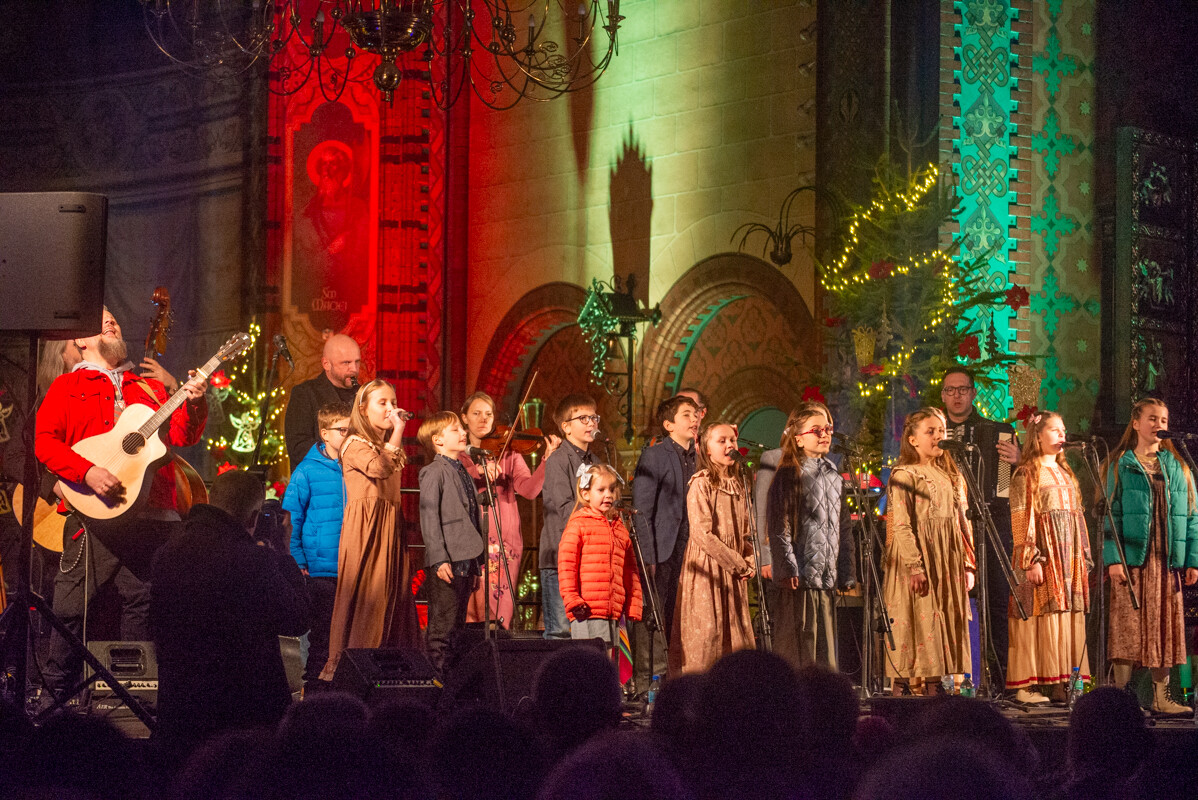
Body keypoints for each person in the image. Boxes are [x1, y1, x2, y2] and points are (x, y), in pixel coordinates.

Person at [34, 308, 208, 701]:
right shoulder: (65, 388)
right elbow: (45, 443)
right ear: (79, 339)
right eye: (101, 320)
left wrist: (194, 401)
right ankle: (52, 700)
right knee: (70, 606)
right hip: (94, 512)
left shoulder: (148, 388)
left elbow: (182, 435)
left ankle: (133, 700)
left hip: (151, 512)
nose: (110, 323)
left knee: (145, 606)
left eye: (113, 319)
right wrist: (87, 472)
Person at [150, 469, 311, 747]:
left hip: (179, 712)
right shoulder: (253, 561)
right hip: (243, 719)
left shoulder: (168, 550)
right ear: (253, 518)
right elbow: (297, 619)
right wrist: (284, 553)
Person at [1104, 397, 1198, 714]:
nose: (1160, 425)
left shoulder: (1178, 466)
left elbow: (1192, 516)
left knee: (1166, 626)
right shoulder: (1121, 464)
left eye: (1163, 420)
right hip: (1133, 559)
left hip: (1166, 560)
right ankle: (1121, 699)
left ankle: (1160, 696)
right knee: (1127, 627)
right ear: (1136, 423)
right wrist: (1113, 558)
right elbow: (1109, 515)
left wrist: (1192, 560)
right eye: (1152, 419)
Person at [319, 379, 417, 681]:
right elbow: (379, 468)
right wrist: (398, 430)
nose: (390, 409)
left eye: (393, 401)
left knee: (394, 596)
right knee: (368, 600)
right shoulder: (354, 443)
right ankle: (352, 673)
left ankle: (393, 670)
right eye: (382, 403)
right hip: (367, 530)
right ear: (363, 408)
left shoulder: (382, 445)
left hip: (389, 527)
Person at [883, 407, 975, 694]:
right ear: (913, 440)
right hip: (918, 557)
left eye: (941, 431)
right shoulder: (905, 474)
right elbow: (901, 525)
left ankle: (939, 688)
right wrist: (915, 565)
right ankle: (906, 690)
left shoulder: (951, 475)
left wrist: (968, 563)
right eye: (930, 431)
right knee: (917, 620)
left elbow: (962, 524)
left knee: (943, 619)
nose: (938, 436)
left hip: (946, 559)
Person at [1005, 412, 1092, 704]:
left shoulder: (1067, 473)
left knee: (1063, 614)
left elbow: (1078, 519)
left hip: (1067, 558)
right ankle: (1027, 686)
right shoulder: (1026, 473)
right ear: (1038, 436)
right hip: (1043, 557)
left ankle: (1061, 682)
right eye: (1055, 430)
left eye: (1064, 430)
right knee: (1036, 614)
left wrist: (1084, 557)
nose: (1062, 435)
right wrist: (1031, 559)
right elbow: (1021, 518)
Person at [940, 367, 1019, 686]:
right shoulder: (935, 430)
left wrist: (1017, 460)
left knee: (997, 601)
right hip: (947, 527)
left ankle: (999, 678)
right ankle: (949, 679)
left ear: (973, 393)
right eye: (950, 390)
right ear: (943, 395)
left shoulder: (995, 430)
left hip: (991, 522)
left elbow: (1010, 486)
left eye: (962, 389)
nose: (956, 396)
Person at [458, 391, 560, 629]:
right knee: (471, 613)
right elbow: (454, 488)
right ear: (464, 418)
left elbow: (529, 490)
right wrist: (477, 472)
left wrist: (547, 460)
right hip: (470, 539)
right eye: (476, 413)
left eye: (489, 414)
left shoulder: (510, 453)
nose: (484, 419)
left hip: (504, 539)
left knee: (499, 612)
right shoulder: (459, 455)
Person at [766, 401, 856, 669]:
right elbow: (778, 525)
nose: (825, 434)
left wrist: (846, 570)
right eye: (816, 430)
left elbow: (844, 527)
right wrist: (788, 567)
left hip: (825, 577)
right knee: (799, 648)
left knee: (824, 653)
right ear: (798, 438)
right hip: (800, 579)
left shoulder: (833, 474)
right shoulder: (787, 474)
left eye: (827, 428)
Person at [669, 421, 756, 675]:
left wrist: (751, 559)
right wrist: (738, 562)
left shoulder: (741, 483)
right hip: (708, 568)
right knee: (709, 635)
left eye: (732, 440)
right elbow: (702, 533)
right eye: (722, 441)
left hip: (734, 570)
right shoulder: (701, 483)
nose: (730, 445)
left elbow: (748, 532)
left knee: (735, 636)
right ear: (707, 450)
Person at [631, 394, 699, 694]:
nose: (695, 419)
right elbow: (642, 508)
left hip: (692, 550)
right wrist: (646, 553)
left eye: (696, 414)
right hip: (661, 548)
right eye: (687, 415)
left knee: (678, 617)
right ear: (669, 424)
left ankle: (675, 681)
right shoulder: (656, 455)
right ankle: (649, 684)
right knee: (653, 616)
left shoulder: (699, 456)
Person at [282, 401, 351, 690]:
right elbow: (291, 519)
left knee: (347, 637)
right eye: (342, 430)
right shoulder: (306, 471)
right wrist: (298, 562)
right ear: (324, 433)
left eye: (352, 430)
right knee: (322, 636)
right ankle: (314, 693)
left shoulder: (353, 468)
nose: (349, 436)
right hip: (321, 568)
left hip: (350, 565)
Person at [417, 411, 485, 674]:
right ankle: (436, 682)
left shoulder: (462, 470)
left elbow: (470, 519)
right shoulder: (434, 471)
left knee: (457, 628)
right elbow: (429, 517)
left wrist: (476, 564)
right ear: (438, 440)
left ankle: (452, 684)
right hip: (447, 561)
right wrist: (439, 558)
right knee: (442, 627)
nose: (463, 433)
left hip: (466, 560)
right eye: (455, 429)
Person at [558, 463, 643, 653]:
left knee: (612, 663)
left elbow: (630, 570)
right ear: (586, 494)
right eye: (601, 489)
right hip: (587, 611)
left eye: (612, 490)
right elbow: (566, 566)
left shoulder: (620, 529)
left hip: (614, 612)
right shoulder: (579, 525)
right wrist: (572, 599)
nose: (609, 495)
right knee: (590, 664)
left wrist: (634, 603)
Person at [539, 394, 602, 640]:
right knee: (560, 630)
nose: (591, 424)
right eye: (583, 418)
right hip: (559, 556)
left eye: (593, 418)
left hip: (586, 557)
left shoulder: (595, 461)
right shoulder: (557, 460)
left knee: (583, 631)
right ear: (565, 427)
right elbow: (565, 507)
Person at [283, 334, 361, 467]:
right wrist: (345, 457)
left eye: (357, 362)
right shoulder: (305, 393)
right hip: (320, 480)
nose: (354, 369)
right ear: (326, 364)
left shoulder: (364, 394)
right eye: (346, 363)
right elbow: (298, 446)